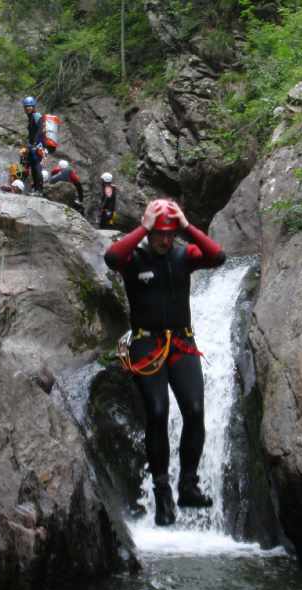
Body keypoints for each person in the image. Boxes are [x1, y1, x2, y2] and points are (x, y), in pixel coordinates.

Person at [104, 199, 226, 526]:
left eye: (170, 235)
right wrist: (143, 227)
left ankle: (188, 484)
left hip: (182, 343)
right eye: (160, 234)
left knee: (195, 410)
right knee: (158, 412)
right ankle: (161, 492)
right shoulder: (135, 257)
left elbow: (218, 256)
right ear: (150, 231)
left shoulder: (182, 255)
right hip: (147, 343)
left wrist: (186, 226)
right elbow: (112, 257)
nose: (165, 240)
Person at [22, 96, 45, 194]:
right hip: (32, 145)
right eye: (26, 106)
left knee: (37, 166)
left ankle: (39, 190)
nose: (28, 108)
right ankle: (35, 189)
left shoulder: (36, 115)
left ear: (33, 106)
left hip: (38, 145)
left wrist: (35, 143)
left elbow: (40, 130)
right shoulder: (31, 117)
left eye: (30, 106)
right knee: (32, 166)